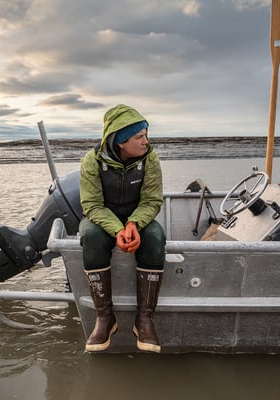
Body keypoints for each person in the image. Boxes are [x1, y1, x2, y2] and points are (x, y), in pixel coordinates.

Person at [79, 104, 166, 353]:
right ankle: (105, 317)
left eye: (146, 135)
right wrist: (118, 230)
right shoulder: (92, 161)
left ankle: (144, 319)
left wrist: (133, 224)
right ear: (120, 141)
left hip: (138, 218)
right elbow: (92, 205)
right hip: (102, 218)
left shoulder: (150, 158)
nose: (146, 141)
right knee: (91, 236)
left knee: (156, 236)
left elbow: (152, 200)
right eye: (139, 137)